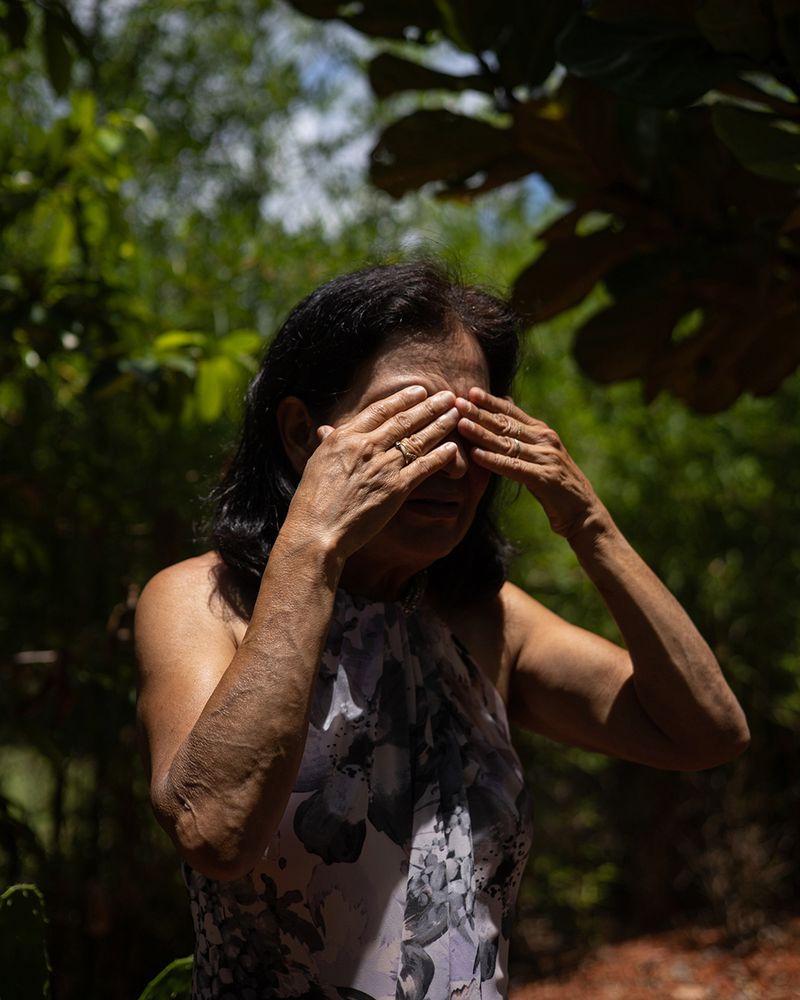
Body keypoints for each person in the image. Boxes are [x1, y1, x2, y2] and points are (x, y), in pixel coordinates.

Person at [134, 261, 749, 1000]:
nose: (453, 461)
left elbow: (706, 732)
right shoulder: (202, 601)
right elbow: (216, 831)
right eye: (412, 424)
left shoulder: (487, 623)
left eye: (473, 427)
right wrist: (313, 546)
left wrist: (589, 524)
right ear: (304, 435)